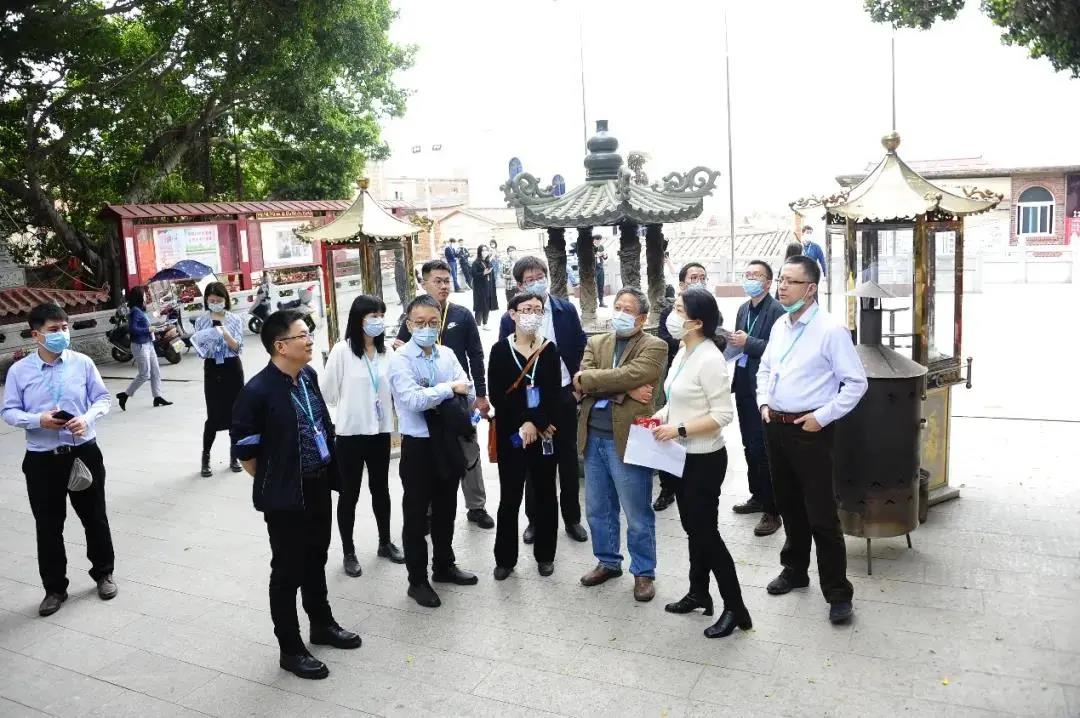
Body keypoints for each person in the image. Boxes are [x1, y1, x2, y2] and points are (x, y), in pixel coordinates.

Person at [231, 310, 361, 680]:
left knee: (316, 557)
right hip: (286, 495)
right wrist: (278, 481)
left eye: (309, 333)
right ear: (280, 345)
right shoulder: (257, 391)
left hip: (318, 482)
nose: (310, 339)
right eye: (303, 334)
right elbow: (246, 451)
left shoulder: (307, 376)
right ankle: (290, 647)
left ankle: (321, 623)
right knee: (287, 570)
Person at [756, 255, 867, 625]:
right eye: (781, 280)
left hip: (810, 431)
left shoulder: (831, 330)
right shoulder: (780, 325)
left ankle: (837, 592)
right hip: (777, 425)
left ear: (811, 289)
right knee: (789, 505)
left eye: (790, 281)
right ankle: (794, 570)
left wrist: (822, 418)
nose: (781, 286)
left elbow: (856, 383)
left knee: (821, 513)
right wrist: (763, 403)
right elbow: (766, 368)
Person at [2, 303, 117, 617]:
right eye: (54, 330)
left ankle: (104, 573)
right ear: (35, 333)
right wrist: (39, 419)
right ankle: (55, 589)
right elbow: (8, 411)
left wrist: (87, 418)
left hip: (84, 452)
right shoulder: (19, 371)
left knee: (94, 516)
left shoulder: (82, 363)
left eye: (64, 328)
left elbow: (103, 398)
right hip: (42, 460)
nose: (61, 334)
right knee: (49, 525)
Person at [652, 288, 751, 638]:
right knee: (694, 529)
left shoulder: (710, 358)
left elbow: (722, 415)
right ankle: (698, 592)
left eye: (678, 310)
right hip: (679, 454)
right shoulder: (684, 350)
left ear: (696, 322)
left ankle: (736, 607)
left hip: (704, 458)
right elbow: (677, 397)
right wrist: (660, 418)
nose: (671, 315)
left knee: (707, 534)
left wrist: (677, 428)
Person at [573, 288, 667, 601]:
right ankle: (607, 561)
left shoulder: (655, 345)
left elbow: (637, 374)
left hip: (631, 438)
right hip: (593, 437)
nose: (620, 313)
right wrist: (624, 391)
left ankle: (643, 572)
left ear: (642, 317)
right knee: (598, 508)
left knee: (637, 511)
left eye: (628, 309)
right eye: (617, 306)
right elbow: (581, 380)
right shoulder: (596, 341)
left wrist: (596, 382)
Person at [388, 295, 479, 608]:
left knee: (446, 507)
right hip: (418, 445)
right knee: (416, 516)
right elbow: (412, 400)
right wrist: (447, 390)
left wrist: (448, 392)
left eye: (432, 322)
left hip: (447, 442)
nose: (426, 328)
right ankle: (417, 580)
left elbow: (468, 389)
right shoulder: (400, 360)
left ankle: (444, 565)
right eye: (420, 322)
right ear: (409, 323)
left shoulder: (447, 354)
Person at [395, 260, 495, 529]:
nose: (443, 285)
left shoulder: (462, 315)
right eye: (437, 281)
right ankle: (428, 510)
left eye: (446, 280)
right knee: (434, 463)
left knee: (469, 451)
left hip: (459, 401)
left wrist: (481, 395)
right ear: (424, 283)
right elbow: (401, 353)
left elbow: (476, 356)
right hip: (427, 410)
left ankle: (476, 506)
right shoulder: (414, 317)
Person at [498, 256, 589, 544]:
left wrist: (578, 386)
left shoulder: (565, 310)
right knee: (533, 459)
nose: (536, 281)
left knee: (567, 459)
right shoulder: (510, 316)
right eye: (528, 279)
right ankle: (535, 520)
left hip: (562, 394)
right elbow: (506, 355)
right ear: (519, 285)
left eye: (540, 276)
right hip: (529, 400)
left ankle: (572, 518)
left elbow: (580, 346)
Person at [322, 295, 404, 577]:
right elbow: (328, 394)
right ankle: (348, 551)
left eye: (381, 315)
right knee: (349, 495)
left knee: (381, 490)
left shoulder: (387, 353)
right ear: (359, 319)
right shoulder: (341, 352)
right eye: (373, 316)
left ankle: (385, 542)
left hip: (379, 433)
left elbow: (396, 389)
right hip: (350, 435)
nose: (379, 321)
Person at [488, 292, 562, 580]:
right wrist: (524, 423)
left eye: (537, 309)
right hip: (513, 436)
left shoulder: (549, 349)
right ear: (513, 314)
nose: (532, 313)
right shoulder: (499, 350)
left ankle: (545, 555)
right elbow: (498, 396)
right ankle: (505, 559)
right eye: (526, 309)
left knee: (545, 495)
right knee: (510, 497)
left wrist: (537, 423)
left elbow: (554, 393)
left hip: (544, 433)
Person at [726, 261, 785, 537]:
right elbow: (738, 344)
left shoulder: (778, 311)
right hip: (744, 384)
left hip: (764, 389)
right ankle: (757, 495)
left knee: (765, 448)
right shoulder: (742, 309)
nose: (750, 279)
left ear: (768, 282)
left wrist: (747, 342)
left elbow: (778, 351)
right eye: (747, 274)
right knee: (749, 444)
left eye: (756, 275)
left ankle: (773, 510)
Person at [653, 262, 710, 512]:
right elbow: (665, 339)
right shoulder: (671, 319)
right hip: (675, 381)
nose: (698, 280)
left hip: (700, 426)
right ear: (682, 283)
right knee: (668, 439)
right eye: (693, 277)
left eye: (702, 277)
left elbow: (721, 414)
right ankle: (668, 488)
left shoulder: (707, 312)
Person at [191, 282, 245, 477]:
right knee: (213, 415)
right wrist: (209, 341)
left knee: (236, 413)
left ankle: (234, 455)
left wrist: (225, 333)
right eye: (211, 300)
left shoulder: (234, 319)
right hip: (213, 369)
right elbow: (200, 351)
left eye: (219, 300)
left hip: (233, 368)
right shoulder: (201, 321)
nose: (215, 303)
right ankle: (206, 457)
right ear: (206, 300)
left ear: (225, 300)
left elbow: (239, 348)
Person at [116, 285, 171, 410]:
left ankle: (157, 397)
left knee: (156, 371)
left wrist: (156, 328)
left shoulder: (140, 310)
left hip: (148, 344)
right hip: (140, 346)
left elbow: (144, 327)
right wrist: (148, 329)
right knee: (144, 374)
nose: (146, 296)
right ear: (139, 297)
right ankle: (125, 395)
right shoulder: (135, 311)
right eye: (144, 294)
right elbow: (132, 329)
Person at [470, 244, 499, 330]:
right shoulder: (476, 263)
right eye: (483, 250)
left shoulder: (487, 262)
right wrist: (483, 273)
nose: (485, 252)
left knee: (487, 305)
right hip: (479, 288)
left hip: (488, 287)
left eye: (486, 250)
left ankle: (485, 323)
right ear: (479, 252)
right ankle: (477, 325)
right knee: (480, 306)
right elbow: (473, 274)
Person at [593, 234, 609, 307]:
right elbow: (590, 256)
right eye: (597, 240)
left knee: (601, 284)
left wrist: (605, 255)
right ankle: (593, 301)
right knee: (593, 285)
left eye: (599, 240)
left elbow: (604, 257)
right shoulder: (591, 247)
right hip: (594, 268)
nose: (599, 241)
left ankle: (601, 301)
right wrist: (597, 254)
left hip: (600, 267)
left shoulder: (601, 246)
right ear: (594, 240)